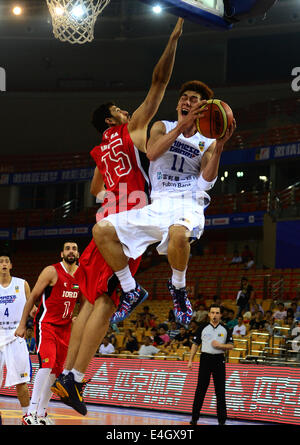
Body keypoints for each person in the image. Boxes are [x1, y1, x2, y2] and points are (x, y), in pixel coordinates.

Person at [50, 18, 184, 417]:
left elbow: (94, 190)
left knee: (90, 304)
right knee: (108, 301)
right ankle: (74, 376)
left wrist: (115, 180)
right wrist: (173, 38)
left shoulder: (98, 149)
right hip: (126, 226)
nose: (126, 110)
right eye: (118, 109)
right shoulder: (132, 129)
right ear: (112, 120)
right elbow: (159, 82)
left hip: (104, 226)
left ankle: (65, 374)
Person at [93, 80, 236, 327]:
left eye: (193, 99)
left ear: (203, 107)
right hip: (157, 204)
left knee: (178, 234)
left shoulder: (207, 141)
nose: (186, 101)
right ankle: (130, 289)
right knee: (101, 231)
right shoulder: (163, 126)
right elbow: (152, 153)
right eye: (184, 98)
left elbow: (205, 183)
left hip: (188, 202)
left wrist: (220, 145)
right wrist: (181, 126)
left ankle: (178, 289)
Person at [15, 241, 82, 425]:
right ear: (62, 253)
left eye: (74, 249)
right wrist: (22, 324)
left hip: (66, 328)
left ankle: (42, 414)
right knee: (47, 365)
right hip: (47, 325)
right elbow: (32, 298)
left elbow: (85, 301)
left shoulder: (81, 275)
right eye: (67, 249)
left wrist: (78, 317)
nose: (71, 251)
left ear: (78, 254)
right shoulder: (51, 271)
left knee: (57, 371)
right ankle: (29, 413)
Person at [188, 304, 233, 426]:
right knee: (200, 390)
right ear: (209, 314)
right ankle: (194, 418)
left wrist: (220, 346)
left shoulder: (225, 329)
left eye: (217, 313)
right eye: (212, 313)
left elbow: (231, 345)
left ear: (220, 315)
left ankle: (222, 420)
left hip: (219, 360)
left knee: (220, 391)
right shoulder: (202, 327)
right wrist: (190, 359)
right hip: (205, 359)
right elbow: (195, 344)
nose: (214, 315)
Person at [0, 252, 32, 423]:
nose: (4, 264)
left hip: (16, 337)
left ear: (11, 265)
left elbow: (33, 307)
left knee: (21, 382)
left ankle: (27, 415)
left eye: (7, 261)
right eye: (1, 262)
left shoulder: (22, 284)